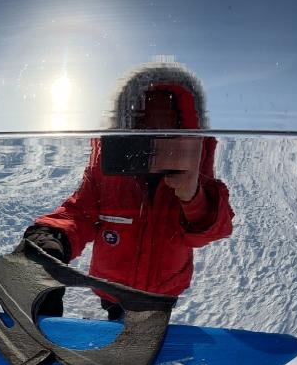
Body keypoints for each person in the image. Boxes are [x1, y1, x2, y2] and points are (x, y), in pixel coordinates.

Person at [23, 62, 234, 318]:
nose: (156, 136)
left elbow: (212, 230)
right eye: (144, 124)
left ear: (186, 131)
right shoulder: (108, 169)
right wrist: (51, 238)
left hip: (161, 294)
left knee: (149, 334)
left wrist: (193, 197)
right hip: (112, 288)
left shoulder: (195, 169)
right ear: (129, 124)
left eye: (169, 128)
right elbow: (81, 211)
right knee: (117, 322)